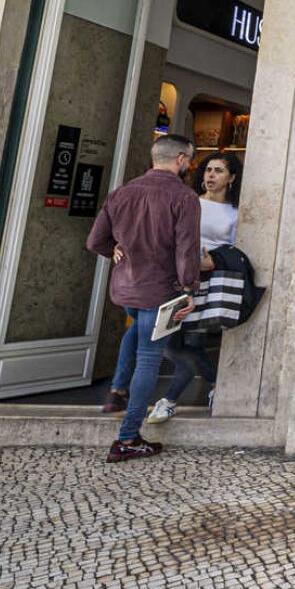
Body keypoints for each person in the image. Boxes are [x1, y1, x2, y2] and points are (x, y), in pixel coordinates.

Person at [86, 135, 201, 461]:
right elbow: (186, 249)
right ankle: (127, 437)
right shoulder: (183, 196)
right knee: (149, 360)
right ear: (180, 159)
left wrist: (114, 249)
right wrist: (189, 289)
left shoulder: (121, 193)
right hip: (160, 290)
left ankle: (116, 392)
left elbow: (95, 242)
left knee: (136, 330)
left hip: (126, 288)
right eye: (189, 159)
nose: (190, 165)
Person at [147, 153, 241, 424]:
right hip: (178, 276)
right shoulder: (190, 202)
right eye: (208, 170)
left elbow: (234, 248)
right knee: (173, 341)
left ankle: (169, 399)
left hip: (210, 278)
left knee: (194, 339)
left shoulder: (236, 212)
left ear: (231, 178)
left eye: (219, 171)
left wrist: (214, 259)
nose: (211, 175)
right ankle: (213, 384)